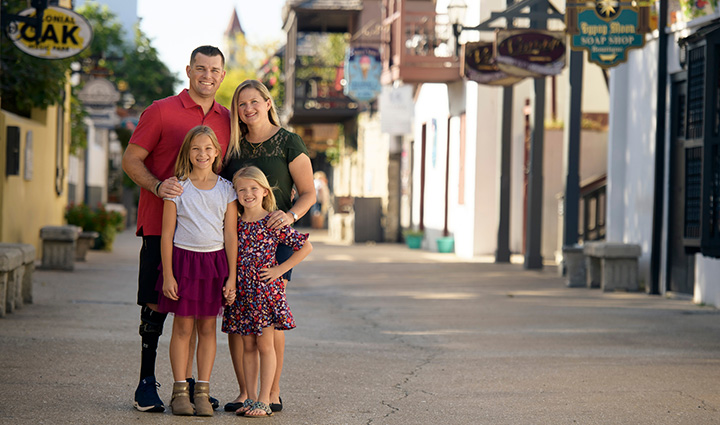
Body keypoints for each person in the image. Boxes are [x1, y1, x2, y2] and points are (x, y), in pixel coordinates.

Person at [122, 45, 229, 412]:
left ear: (222, 75)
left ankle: (192, 387)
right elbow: (131, 158)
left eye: (214, 70)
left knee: (198, 315)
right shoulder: (161, 110)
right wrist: (156, 185)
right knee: (156, 306)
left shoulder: (227, 119)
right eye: (201, 68)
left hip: (205, 236)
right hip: (160, 222)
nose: (207, 75)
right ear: (188, 70)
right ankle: (146, 382)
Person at [220, 79, 316, 413]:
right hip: (239, 237)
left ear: (267, 102)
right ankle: (245, 392)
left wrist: (290, 217)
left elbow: (308, 192)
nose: (248, 109)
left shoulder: (289, 142)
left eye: (253, 102)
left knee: (269, 321)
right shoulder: (232, 146)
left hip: (274, 237)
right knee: (239, 319)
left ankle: (271, 393)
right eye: (241, 105)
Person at [156, 126, 237, 416]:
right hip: (183, 263)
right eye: (196, 149)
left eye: (207, 148)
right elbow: (166, 234)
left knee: (207, 328)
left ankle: (202, 391)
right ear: (187, 153)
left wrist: (232, 276)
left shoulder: (226, 189)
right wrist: (168, 274)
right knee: (182, 327)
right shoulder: (177, 187)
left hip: (214, 265)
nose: (202, 154)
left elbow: (230, 236)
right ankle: (180, 391)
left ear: (216, 152)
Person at [223, 166, 312, 417]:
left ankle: (265, 399)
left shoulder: (272, 221)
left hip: (266, 293)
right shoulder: (235, 225)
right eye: (242, 189)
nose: (248, 193)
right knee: (247, 346)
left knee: (265, 345)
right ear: (235, 194)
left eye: (253, 188)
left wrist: (280, 270)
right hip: (243, 294)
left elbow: (306, 246)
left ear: (264, 191)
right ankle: (250, 398)